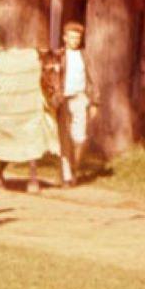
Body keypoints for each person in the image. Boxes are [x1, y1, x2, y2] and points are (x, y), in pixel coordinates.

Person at [58, 21, 95, 187]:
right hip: (63, 100)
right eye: (71, 37)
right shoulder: (59, 55)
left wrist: (95, 102)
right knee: (65, 139)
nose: (75, 41)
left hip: (80, 98)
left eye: (78, 38)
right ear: (65, 38)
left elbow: (92, 79)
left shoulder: (84, 56)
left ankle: (75, 167)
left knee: (80, 138)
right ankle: (67, 176)